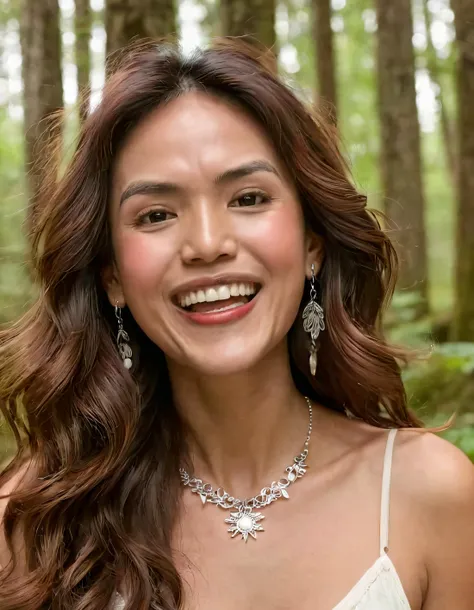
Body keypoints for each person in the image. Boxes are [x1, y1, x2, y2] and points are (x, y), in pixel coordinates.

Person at [1, 39, 473, 610]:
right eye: (156, 215)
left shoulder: (430, 494)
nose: (206, 244)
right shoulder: (34, 525)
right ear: (112, 276)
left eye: (248, 198)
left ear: (312, 245)